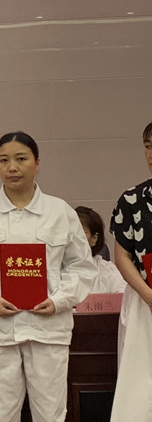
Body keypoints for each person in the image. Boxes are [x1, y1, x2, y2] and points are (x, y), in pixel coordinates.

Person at [0, 131, 95, 422]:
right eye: (3, 160)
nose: (12, 167)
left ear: (37, 163)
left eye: (21, 159)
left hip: (48, 328)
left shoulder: (59, 212)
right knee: (1, 414)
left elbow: (81, 266)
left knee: (50, 414)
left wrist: (59, 300)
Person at [109, 121, 152, 422]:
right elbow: (122, 255)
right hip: (144, 301)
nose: (151, 154)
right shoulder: (132, 200)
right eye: (148, 146)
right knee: (140, 388)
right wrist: (147, 294)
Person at [75, 206, 125, 294]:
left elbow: (122, 296)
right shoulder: (54, 268)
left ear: (94, 238)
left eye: (79, 233)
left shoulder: (108, 271)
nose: (72, 238)